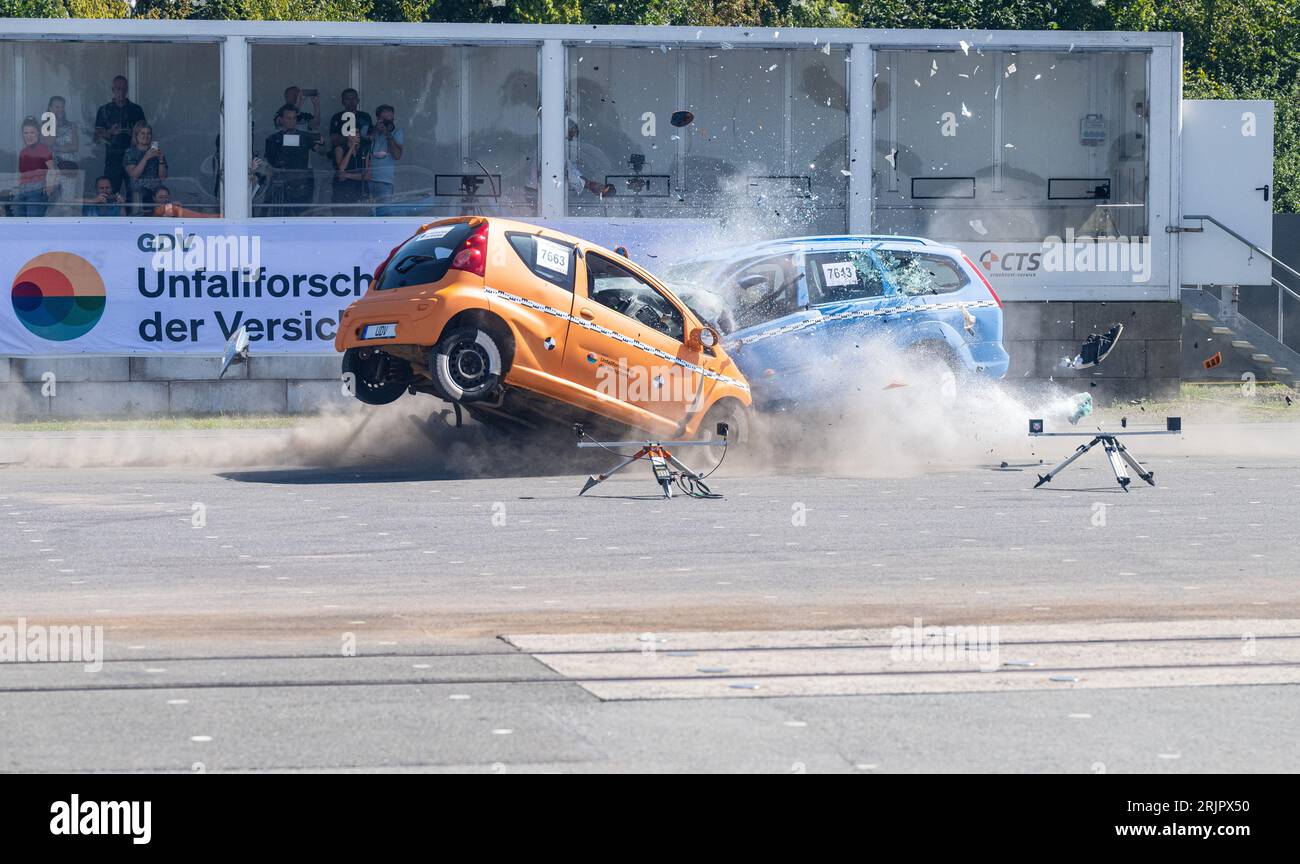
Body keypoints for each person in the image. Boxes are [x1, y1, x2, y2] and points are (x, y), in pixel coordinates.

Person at [93, 75, 146, 196]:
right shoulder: (104, 110)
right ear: (112, 89)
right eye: (117, 88)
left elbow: (146, 135)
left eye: (123, 88)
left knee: (134, 194)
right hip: (113, 158)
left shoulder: (136, 109)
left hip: (133, 158)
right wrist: (110, 133)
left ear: (127, 89)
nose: (120, 91)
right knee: (110, 194)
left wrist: (133, 135)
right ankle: (111, 215)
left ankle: (133, 215)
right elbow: (96, 139)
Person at [262, 104, 316, 216]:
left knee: (302, 217)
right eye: (288, 118)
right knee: (280, 216)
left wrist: (322, 142)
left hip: (302, 185)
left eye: (294, 118)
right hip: (281, 185)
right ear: (281, 120)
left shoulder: (306, 137)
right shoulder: (273, 139)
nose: (292, 121)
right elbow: (270, 163)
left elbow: (323, 150)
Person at [366, 104, 403, 213]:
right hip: (365, 178)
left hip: (384, 181)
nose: (388, 123)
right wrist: (375, 130)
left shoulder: (397, 131)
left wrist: (388, 135)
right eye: (385, 120)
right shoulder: (369, 129)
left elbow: (397, 155)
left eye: (390, 120)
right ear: (378, 119)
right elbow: (362, 145)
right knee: (363, 214)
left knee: (384, 214)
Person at [123, 122, 167, 211]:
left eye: (148, 133)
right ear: (136, 135)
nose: (146, 136)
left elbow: (163, 178)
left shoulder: (156, 152)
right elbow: (134, 174)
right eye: (142, 133)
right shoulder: (130, 152)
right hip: (137, 195)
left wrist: (161, 161)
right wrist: (146, 157)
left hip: (156, 196)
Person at [15, 117, 55, 217]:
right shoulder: (23, 152)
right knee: (19, 223)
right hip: (22, 191)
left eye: (32, 132)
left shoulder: (43, 149)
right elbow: (22, 174)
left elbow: (52, 170)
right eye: (26, 133)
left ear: (38, 133)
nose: (29, 136)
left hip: (37, 191)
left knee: (33, 223)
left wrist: (49, 187)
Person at [332, 127, 370, 214]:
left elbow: (367, 176)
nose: (358, 135)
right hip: (343, 191)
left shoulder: (364, 151)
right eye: (354, 133)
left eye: (358, 132)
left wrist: (347, 175)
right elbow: (341, 168)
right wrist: (351, 147)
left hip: (360, 190)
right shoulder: (340, 149)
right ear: (348, 135)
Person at [149, 185, 216, 219]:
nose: (164, 200)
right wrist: (172, 207)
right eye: (161, 197)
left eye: (166, 197)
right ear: (154, 198)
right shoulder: (148, 214)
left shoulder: (172, 209)